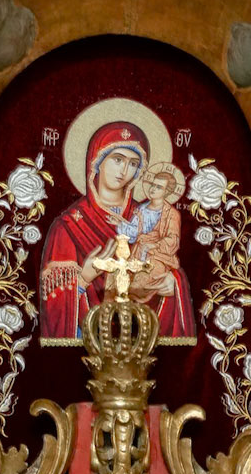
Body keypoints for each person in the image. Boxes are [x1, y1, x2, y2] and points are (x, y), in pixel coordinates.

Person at [40, 118, 194, 342]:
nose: (124, 170)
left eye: (133, 164)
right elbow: (52, 309)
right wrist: (83, 279)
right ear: (97, 162)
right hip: (89, 347)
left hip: (141, 341)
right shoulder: (68, 226)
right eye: (117, 159)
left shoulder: (147, 216)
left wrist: (173, 285)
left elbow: (168, 262)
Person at [128, 163, 193, 339]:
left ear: (166, 192)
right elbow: (139, 232)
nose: (153, 189)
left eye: (159, 187)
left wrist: (154, 246)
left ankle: (143, 322)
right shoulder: (140, 209)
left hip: (160, 257)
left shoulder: (171, 214)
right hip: (138, 252)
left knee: (139, 283)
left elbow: (173, 240)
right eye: (153, 185)